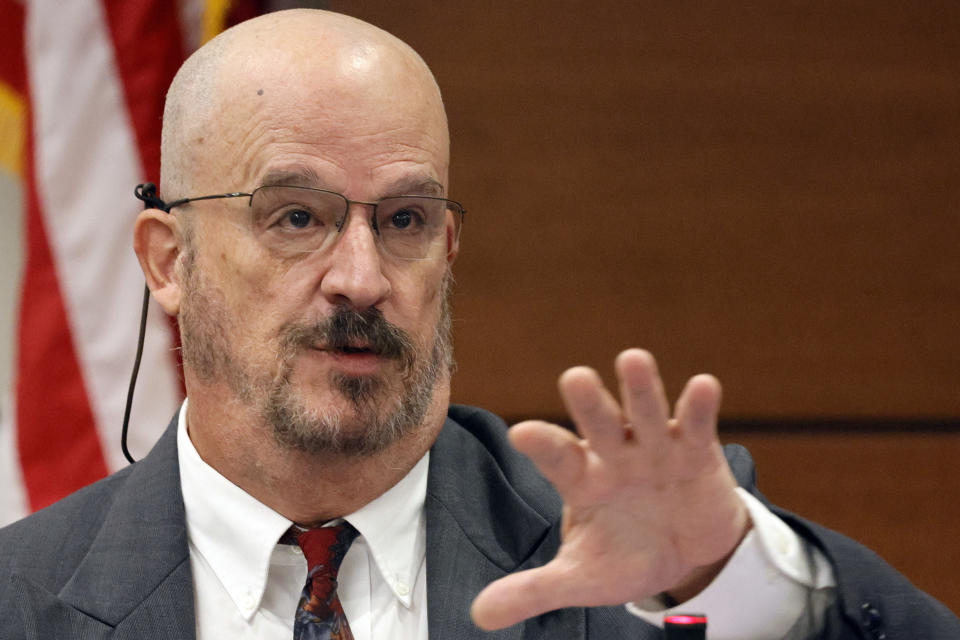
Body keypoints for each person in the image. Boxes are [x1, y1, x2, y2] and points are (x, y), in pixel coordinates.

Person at [0, 9, 956, 639]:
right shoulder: (23, 599)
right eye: (296, 217)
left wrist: (740, 579)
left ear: (447, 251)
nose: (364, 279)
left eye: (406, 220)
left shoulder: (628, 561)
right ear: (170, 261)